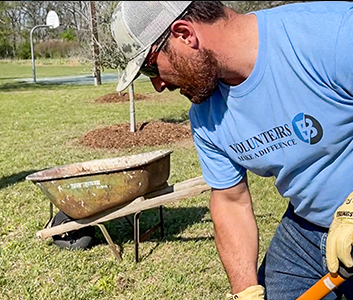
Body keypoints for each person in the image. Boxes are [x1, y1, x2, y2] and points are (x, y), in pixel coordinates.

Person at [110, 1, 353, 299]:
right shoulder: (205, 115)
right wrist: (245, 290)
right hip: (306, 225)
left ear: (184, 34)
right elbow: (230, 200)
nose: (158, 84)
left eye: (151, 67)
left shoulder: (333, 34)